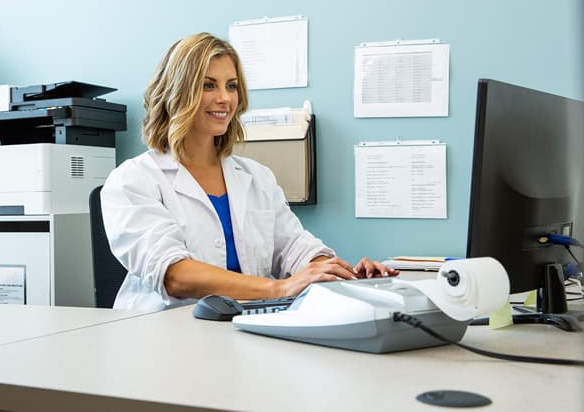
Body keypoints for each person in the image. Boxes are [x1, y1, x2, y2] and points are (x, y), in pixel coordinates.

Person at [101, 32, 398, 310]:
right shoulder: (133, 180)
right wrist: (279, 288)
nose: (225, 98)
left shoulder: (257, 177)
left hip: (244, 327)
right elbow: (175, 275)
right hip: (163, 336)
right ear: (177, 92)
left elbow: (294, 247)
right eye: (208, 85)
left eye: (231, 86)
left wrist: (335, 272)